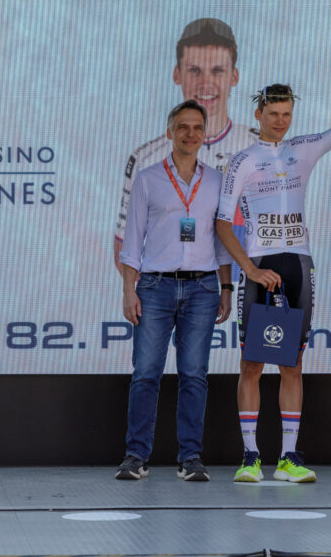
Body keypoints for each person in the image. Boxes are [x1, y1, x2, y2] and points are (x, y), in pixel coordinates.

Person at [215, 29, 331, 483]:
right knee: (251, 365)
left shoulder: (303, 149)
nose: (280, 122)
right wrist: (249, 270)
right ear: (257, 114)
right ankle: (249, 457)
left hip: (297, 265)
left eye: (286, 114)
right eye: (273, 114)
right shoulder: (242, 161)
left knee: (292, 364)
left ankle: (288, 458)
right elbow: (222, 223)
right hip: (261, 266)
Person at [116, 100, 234, 482]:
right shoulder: (148, 179)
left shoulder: (216, 181)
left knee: (194, 374)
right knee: (146, 373)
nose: (190, 133)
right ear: (170, 132)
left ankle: (190, 458)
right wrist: (129, 290)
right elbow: (131, 241)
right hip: (155, 286)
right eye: (182, 126)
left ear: (206, 134)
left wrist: (226, 287)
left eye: (197, 127)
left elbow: (222, 242)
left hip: (203, 288)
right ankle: (136, 456)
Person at [114, 18, 258, 271]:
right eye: (194, 70)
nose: (206, 83)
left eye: (217, 70)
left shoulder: (259, 148)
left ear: (234, 76)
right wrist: (145, 291)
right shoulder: (145, 158)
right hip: (170, 289)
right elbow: (125, 244)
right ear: (177, 75)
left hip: (242, 289)